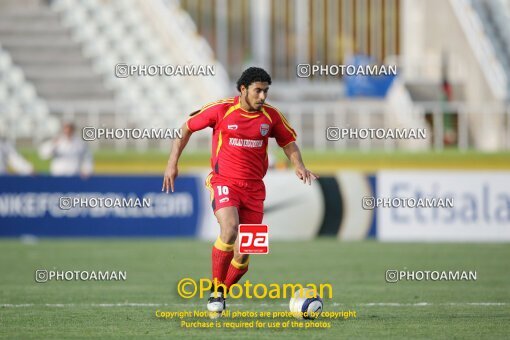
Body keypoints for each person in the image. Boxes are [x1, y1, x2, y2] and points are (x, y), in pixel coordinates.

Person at [162, 67, 318, 318]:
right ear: (243, 89)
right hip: (224, 182)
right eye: (258, 90)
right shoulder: (222, 109)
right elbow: (186, 128)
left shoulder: (272, 117)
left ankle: (221, 292)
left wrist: (299, 165)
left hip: (255, 189)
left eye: (266, 91)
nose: (263, 96)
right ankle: (215, 290)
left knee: (244, 253)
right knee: (230, 228)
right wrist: (172, 163)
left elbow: (288, 142)